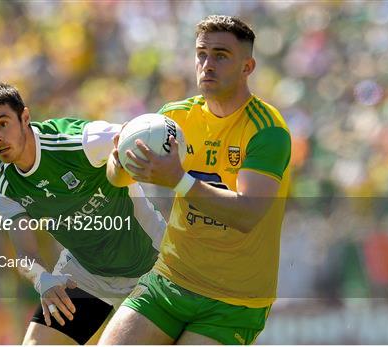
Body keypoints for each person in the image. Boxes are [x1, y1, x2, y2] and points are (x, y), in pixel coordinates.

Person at [99, 15, 291, 345]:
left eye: (220, 55)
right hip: (171, 280)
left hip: (234, 301)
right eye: (201, 53)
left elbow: (248, 214)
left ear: (247, 67)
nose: (207, 64)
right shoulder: (174, 118)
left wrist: (178, 179)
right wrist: (118, 162)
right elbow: (117, 179)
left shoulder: (267, 130)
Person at [0, 83, 166, 345]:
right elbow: (26, 255)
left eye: (3, 124)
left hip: (152, 264)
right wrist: (43, 279)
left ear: (25, 118)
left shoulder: (80, 141)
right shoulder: (4, 187)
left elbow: (137, 136)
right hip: (87, 275)